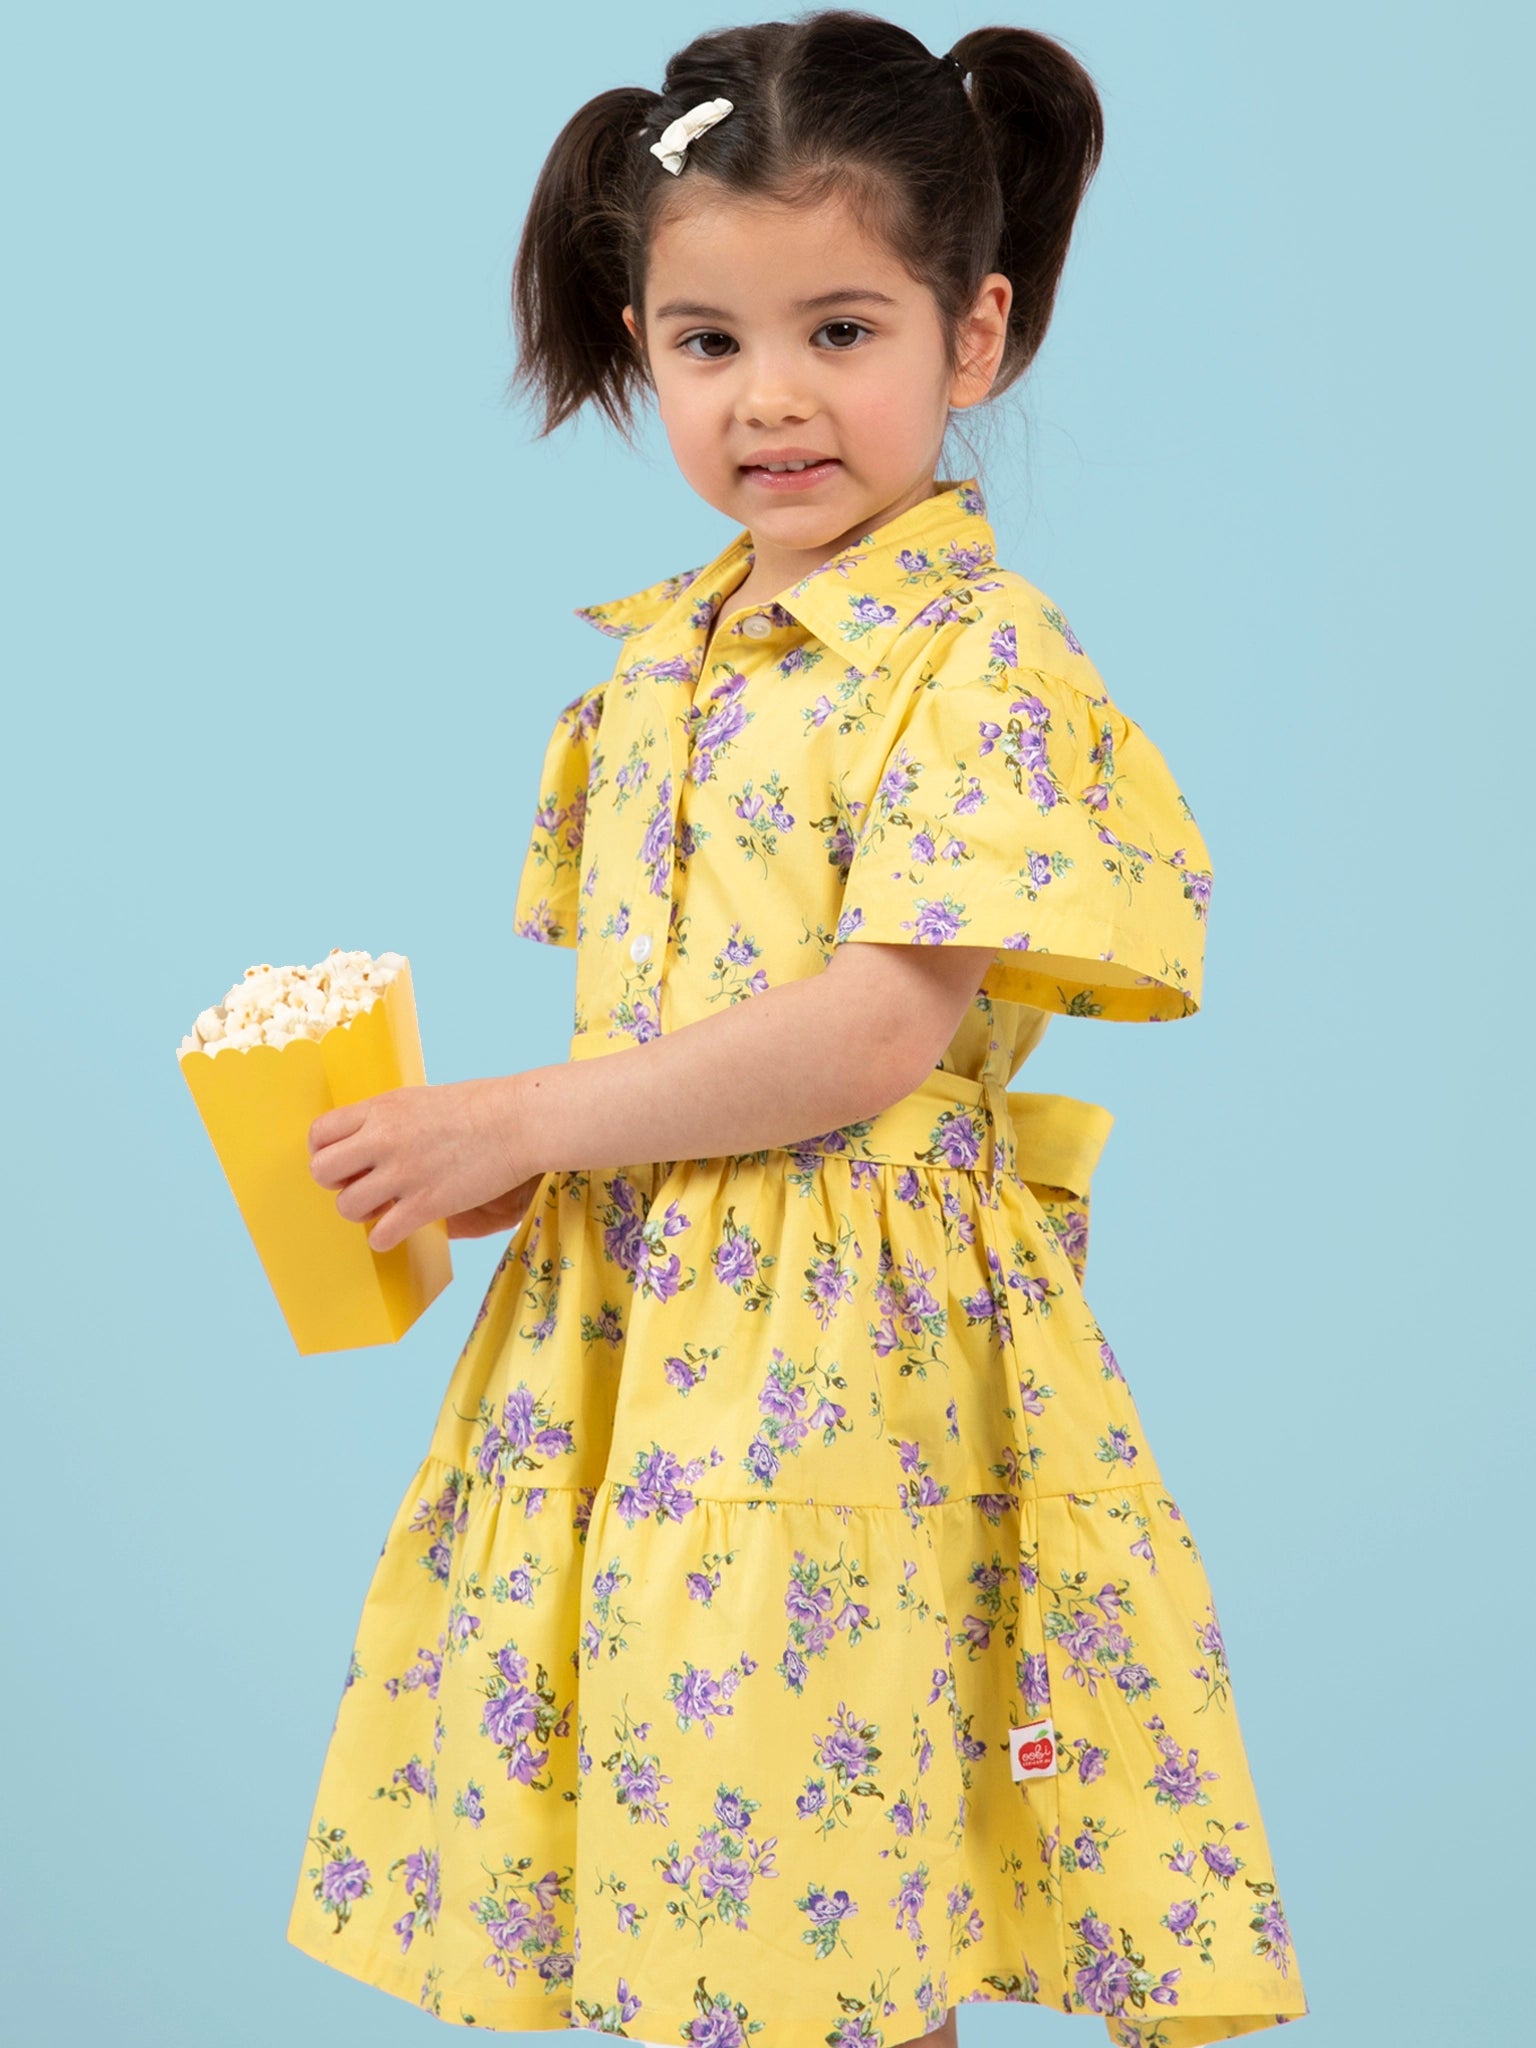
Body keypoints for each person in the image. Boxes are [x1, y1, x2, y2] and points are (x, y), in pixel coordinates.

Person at [284, 12, 1308, 2046]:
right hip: (654, 1336)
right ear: (641, 346)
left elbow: (861, 1037)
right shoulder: (671, 662)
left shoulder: (970, 656)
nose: (772, 401)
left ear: (977, 334)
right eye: (708, 342)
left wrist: (540, 1119)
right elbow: (679, 1026)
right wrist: (495, 1164)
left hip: (839, 1362)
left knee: (822, 1895)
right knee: (704, 1893)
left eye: (843, 332)